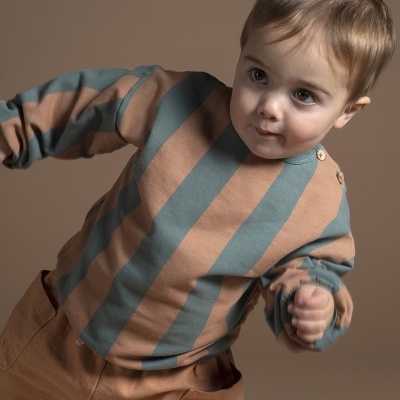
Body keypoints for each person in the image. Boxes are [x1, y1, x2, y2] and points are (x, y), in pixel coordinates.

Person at [0, 0, 395, 398]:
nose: (269, 107)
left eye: (303, 95)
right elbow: (92, 103)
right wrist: (14, 130)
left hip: (175, 377)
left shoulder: (318, 202)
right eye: (258, 75)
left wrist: (310, 302)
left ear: (347, 110)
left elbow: (308, 269)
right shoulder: (180, 103)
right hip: (62, 333)